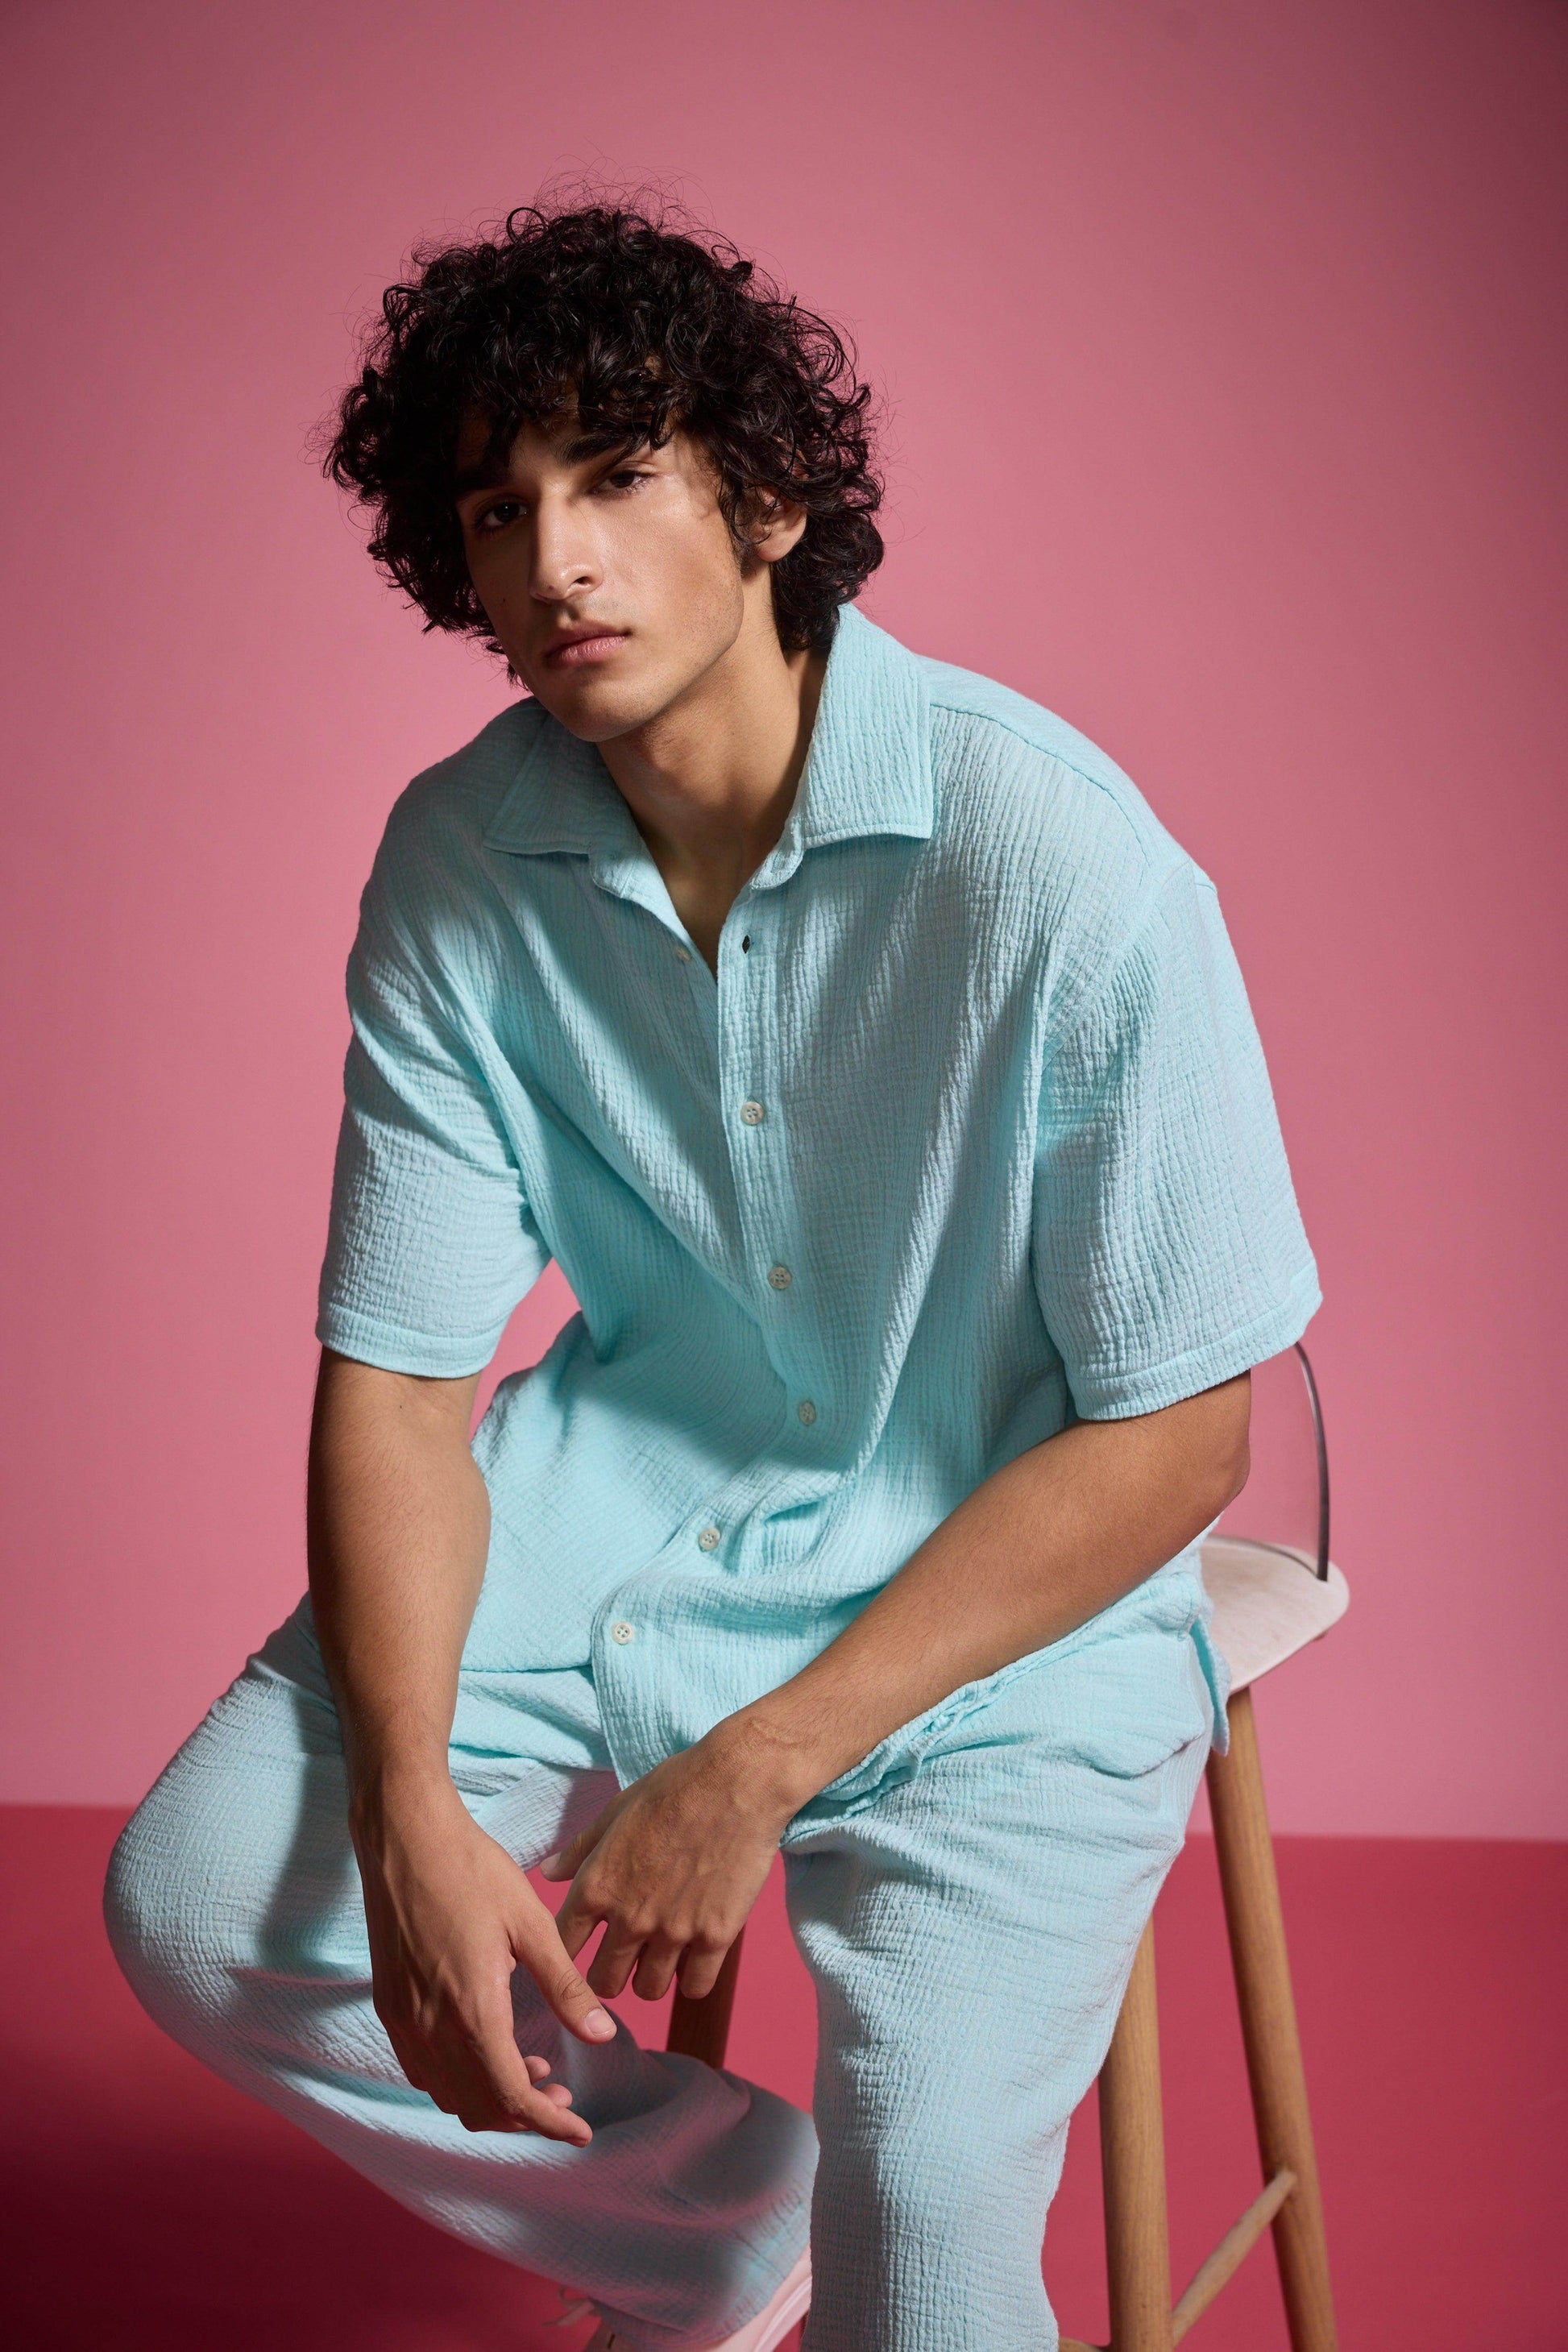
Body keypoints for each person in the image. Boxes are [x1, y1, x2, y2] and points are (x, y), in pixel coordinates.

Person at [105, 201, 1319, 2352]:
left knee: (924, 2199)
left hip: (1006, 1585)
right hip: (625, 1510)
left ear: (764, 502)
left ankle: (850, 2234)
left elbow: (1182, 1437)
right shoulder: (459, 859)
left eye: (617, 476)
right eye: (502, 510)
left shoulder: (1054, 856)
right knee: (205, 1902)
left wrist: (757, 1764)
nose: (557, 561)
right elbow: (399, 1380)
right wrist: (402, 1804)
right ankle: (722, 2230)